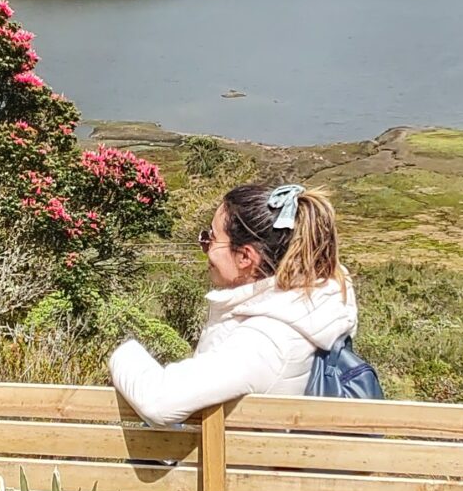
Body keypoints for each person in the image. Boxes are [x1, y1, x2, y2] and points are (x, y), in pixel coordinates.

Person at [109, 182, 355, 425]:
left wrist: (120, 352)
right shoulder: (315, 305)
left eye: (211, 238)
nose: (205, 248)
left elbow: (158, 402)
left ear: (245, 257)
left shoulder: (265, 341)